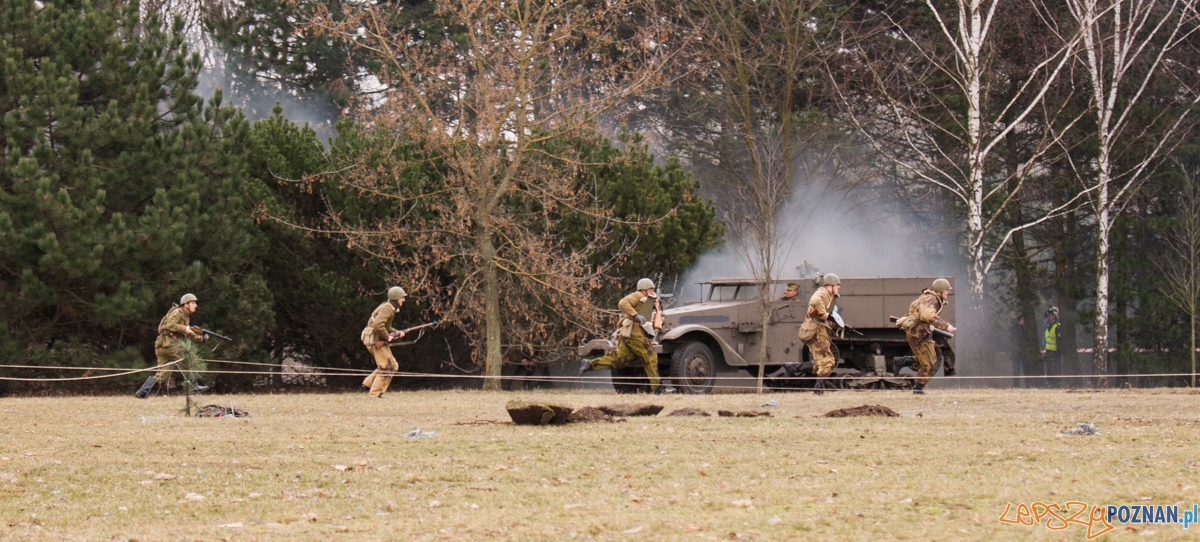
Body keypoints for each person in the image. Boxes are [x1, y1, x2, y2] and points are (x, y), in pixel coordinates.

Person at [578, 278, 662, 393]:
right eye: (650, 288)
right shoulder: (637, 295)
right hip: (635, 334)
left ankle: (589, 364)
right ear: (644, 289)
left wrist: (655, 304)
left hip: (627, 335)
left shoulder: (646, 298)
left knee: (620, 360)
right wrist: (635, 315)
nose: (653, 290)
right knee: (651, 356)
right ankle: (657, 389)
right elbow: (623, 303)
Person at [134, 293, 208, 398]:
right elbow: (170, 325)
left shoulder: (185, 317)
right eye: (192, 303)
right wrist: (184, 329)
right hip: (169, 345)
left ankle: (141, 393)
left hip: (163, 347)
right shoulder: (178, 312)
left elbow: (186, 334)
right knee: (188, 358)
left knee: (162, 376)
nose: (195, 305)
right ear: (185, 304)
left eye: (195, 303)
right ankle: (194, 385)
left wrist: (200, 338)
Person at [902, 279, 956, 395]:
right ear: (941, 291)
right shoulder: (932, 299)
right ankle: (918, 389)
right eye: (947, 290)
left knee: (927, 361)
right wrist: (946, 326)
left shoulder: (929, 297)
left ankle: (905, 363)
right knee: (930, 362)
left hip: (919, 333)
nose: (948, 292)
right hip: (919, 334)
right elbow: (927, 315)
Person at [798, 274, 841, 394]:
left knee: (820, 363)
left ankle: (793, 368)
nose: (839, 287)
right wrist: (824, 314)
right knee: (827, 362)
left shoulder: (828, 295)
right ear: (831, 285)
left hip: (819, 332)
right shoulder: (821, 294)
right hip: (817, 333)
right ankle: (818, 391)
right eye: (837, 285)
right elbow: (815, 301)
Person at [362, 286, 407, 398]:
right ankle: (374, 395)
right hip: (375, 340)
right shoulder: (387, 308)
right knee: (387, 367)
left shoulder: (389, 308)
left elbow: (385, 326)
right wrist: (387, 337)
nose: (404, 300)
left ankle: (367, 384)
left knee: (393, 365)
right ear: (396, 298)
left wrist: (397, 332)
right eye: (402, 297)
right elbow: (378, 325)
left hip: (377, 339)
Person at [1042, 307, 1062, 388]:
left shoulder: (1057, 326)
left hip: (1055, 352)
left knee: (1056, 369)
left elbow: (1059, 340)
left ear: (1054, 316)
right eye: (1048, 316)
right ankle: (1050, 384)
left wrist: (1058, 351)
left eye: (1050, 316)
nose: (1049, 318)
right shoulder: (1047, 327)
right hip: (1049, 352)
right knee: (1049, 369)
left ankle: (1056, 384)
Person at [1010, 314, 1031, 388]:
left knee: (1026, 371)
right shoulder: (1015, 329)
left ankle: (1027, 385)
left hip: (1023, 353)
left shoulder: (1021, 328)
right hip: (1017, 354)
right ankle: (1016, 385)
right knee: (1016, 371)